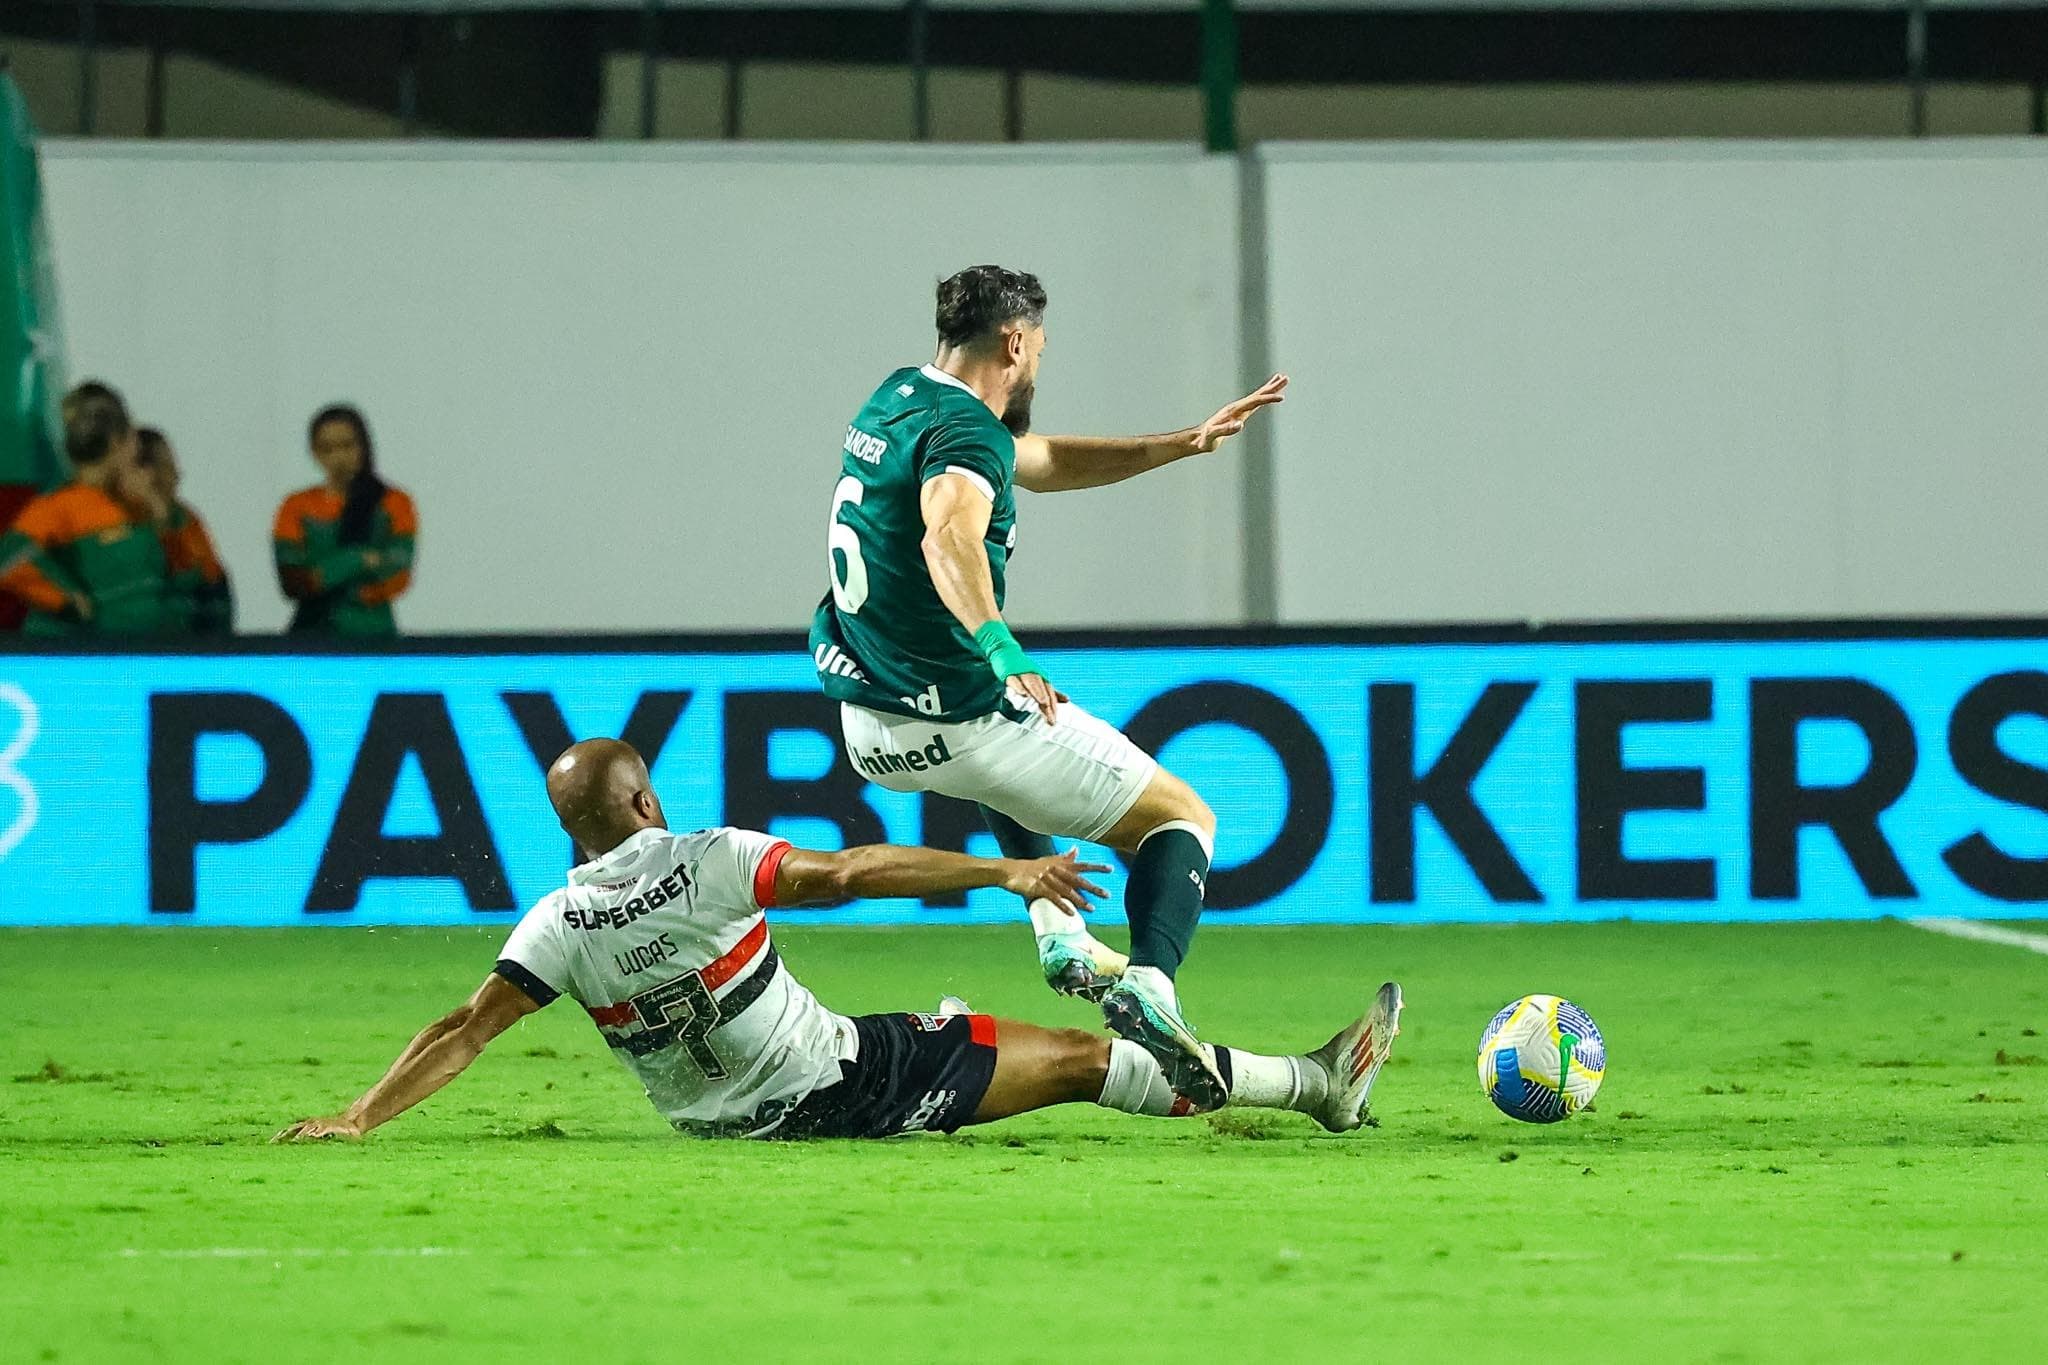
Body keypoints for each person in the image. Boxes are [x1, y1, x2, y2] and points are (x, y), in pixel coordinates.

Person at [275, 739, 1401, 1144]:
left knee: (951, 1031)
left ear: (573, 831)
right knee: (1082, 1058)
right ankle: (1314, 1086)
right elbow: (853, 871)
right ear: (645, 802)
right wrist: (1008, 870)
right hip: (836, 1087)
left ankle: (957, 1036)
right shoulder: (709, 857)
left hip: (716, 1120)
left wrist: (359, 1114)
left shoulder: (555, 925)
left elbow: (463, 1031)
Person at [810, 265, 1289, 1110]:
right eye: (1039, 348)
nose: (1039, 363)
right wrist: (1002, 650)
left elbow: (1042, 459)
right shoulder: (968, 434)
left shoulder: (898, 398)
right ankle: (1151, 986)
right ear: (1015, 342)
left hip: (870, 721)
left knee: (1005, 775)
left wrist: (1179, 443)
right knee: (1182, 817)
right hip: (959, 713)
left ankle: (1059, 929)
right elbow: (947, 538)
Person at [0, 380, 169, 635]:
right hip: (86, 651)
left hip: (143, 649)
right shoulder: (61, 506)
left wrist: (156, 510)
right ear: (116, 443)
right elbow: (9, 559)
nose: (137, 447)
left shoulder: (131, 503)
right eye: (131, 437)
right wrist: (69, 600)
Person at [272, 404, 417, 636]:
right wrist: (358, 559)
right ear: (315, 453)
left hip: (373, 634)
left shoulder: (394, 503)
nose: (339, 458)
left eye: (347, 446)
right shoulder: (296, 506)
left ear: (364, 446)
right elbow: (293, 582)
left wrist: (324, 576)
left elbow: (398, 572)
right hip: (312, 633)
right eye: (327, 449)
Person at [137, 427, 233, 635]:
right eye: (166, 466)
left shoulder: (186, 517)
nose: (176, 474)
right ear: (145, 472)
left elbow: (212, 578)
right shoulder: (122, 522)